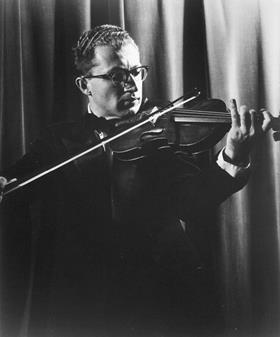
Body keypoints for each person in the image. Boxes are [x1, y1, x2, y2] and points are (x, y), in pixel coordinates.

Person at [0, 24, 272, 337]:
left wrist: (234, 153)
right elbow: (19, 180)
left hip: (161, 295)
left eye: (137, 71)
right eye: (117, 75)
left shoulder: (159, 138)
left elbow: (194, 201)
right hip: (85, 301)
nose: (132, 84)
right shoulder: (58, 141)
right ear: (84, 84)